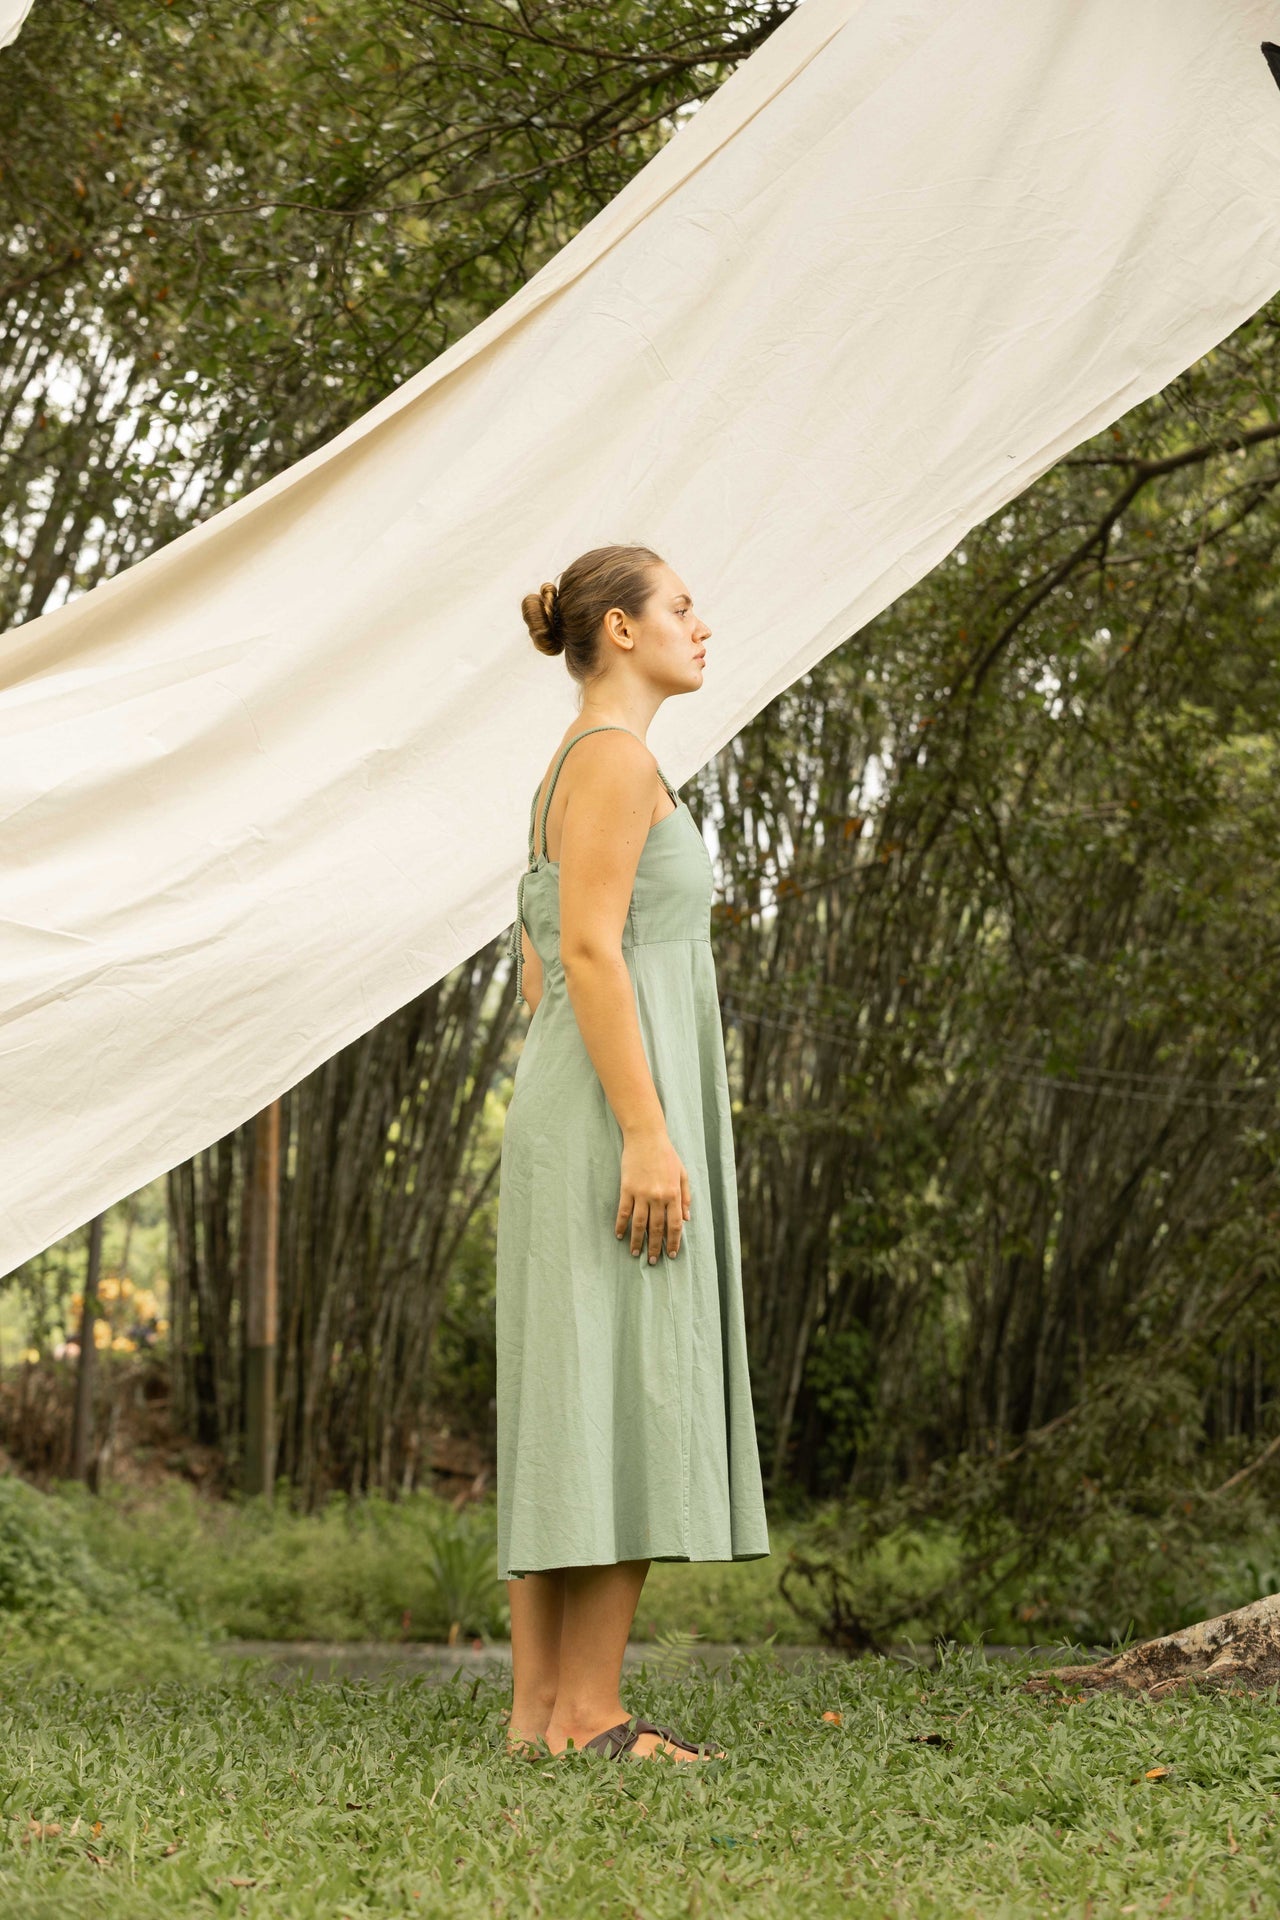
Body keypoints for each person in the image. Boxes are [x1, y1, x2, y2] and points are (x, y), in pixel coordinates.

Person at [497, 543, 769, 1763]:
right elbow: (588, 952)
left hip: (576, 1102)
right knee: (621, 1389)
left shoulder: (572, 763)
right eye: (680, 607)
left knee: (573, 1394)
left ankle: (539, 1719)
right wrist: (647, 1132)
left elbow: (537, 970)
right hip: (614, 1114)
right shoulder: (612, 759)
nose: (699, 626)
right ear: (617, 629)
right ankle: (591, 1717)